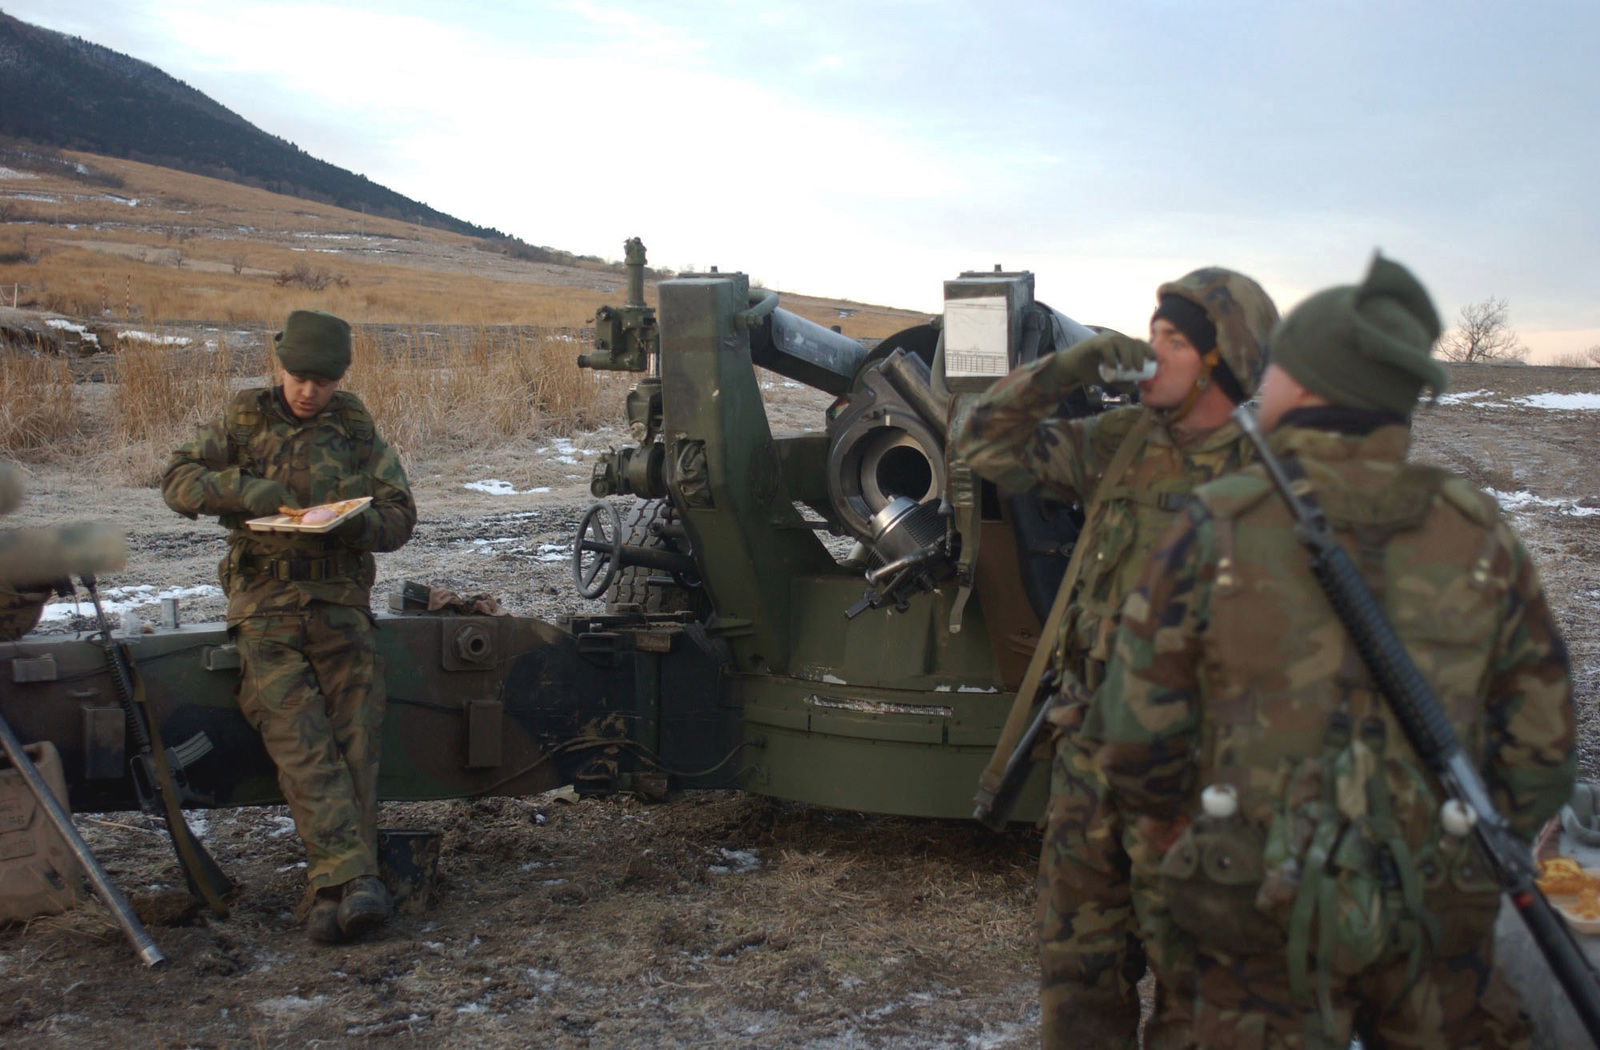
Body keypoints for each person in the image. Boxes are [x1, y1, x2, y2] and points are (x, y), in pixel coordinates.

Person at [1092, 254, 1573, 1048]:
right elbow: (1543, 754)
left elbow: (1135, 738)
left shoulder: (1219, 521)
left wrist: (1189, 846)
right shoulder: (1477, 528)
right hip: (1434, 919)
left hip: (1253, 914)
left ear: (1311, 388)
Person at [953, 268, 1279, 1049]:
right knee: (1077, 970)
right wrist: (1070, 365)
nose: (1148, 353)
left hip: (1197, 779)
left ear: (1219, 361)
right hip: (1088, 753)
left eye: (1172, 341)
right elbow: (981, 441)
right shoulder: (1122, 442)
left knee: (1193, 993)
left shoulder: (1277, 481)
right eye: (1152, 334)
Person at [162, 310, 416, 944]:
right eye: (302, 378)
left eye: (324, 382)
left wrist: (352, 521)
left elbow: (400, 517)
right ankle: (355, 881)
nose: (311, 392)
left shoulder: (355, 427)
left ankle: (337, 891)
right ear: (281, 367)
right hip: (265, 602)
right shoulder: (245, 418)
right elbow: (177, 480)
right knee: (298, 734)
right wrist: (242, 491)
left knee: (357, 734)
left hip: (339, 602)